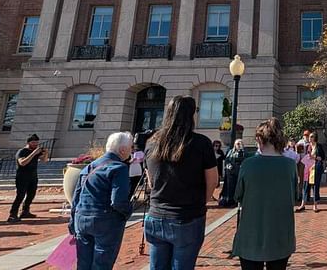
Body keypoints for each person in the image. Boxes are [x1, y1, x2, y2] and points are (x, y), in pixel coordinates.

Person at [144, 96, 219, 270]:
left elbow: (151, 182)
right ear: (191, 115)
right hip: (187, 217)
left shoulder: (152, 143)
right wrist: (201, 201)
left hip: (156, 216)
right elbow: (213, 180)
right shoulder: (201, 143)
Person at [232, 117, 297, 269]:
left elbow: (237, 195)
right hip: (281, 235)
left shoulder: (248, 164)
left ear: (259, 139)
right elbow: (295, 194)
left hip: (251, 234)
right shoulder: (290, 165)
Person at [69, 132, 134, 270]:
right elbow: (118, 201)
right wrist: (128, 211)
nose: (132, 150)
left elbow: (76, 197)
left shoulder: (89, 166)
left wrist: (72, 221)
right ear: (122, 150)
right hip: (105, 220)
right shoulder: (119, 168)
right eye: (130, 147)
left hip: (82, 218)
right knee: (102, 264)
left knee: (83, 263)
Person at [8, 134, 48, 223]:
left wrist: (45, 154)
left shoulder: (35, 151)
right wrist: (33, 153)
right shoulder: (22, 151)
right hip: (22, 176)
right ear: (28, 142)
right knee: (20, 195)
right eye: (33, 142)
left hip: (33, 176)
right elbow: (22, 163)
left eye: (37, 143)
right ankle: (12, 214)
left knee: (31, 195)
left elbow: (44, 161)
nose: (35, 145)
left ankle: (25, 211)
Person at [296, 131, 325, 213]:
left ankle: (315, 205)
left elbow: (322, 157)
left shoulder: (318, 146)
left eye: (311, 137)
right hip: (307, 168)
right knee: (305, 186)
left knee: (315, 186)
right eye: (309, 137)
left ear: (314, 138)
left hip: (315, 168)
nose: (309, 138)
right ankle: (303, 204)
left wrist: (314, 157)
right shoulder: (308, 146)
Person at [221, 139, 246, 207]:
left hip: (240, 172)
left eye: (240, 143)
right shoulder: (231, 152)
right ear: (235, 145)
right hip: (231, 173)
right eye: (238, 144)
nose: (239, 145)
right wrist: (229, 166)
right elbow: (227, 160)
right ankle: (229, 201)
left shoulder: (244, 152)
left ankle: (237, 201)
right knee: (230, 188)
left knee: (238, 187)